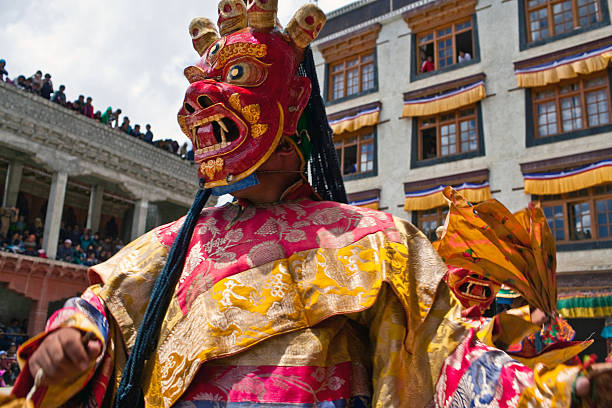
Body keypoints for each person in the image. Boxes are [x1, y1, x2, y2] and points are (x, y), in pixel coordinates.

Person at [7, 3, 612, 408]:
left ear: (294, 105)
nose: (196, 105)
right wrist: (71, 337)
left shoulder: (381, 244)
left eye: (238, 78)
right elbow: (100, 311)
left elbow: (450, 364)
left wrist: (567, 390)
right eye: (196, 90)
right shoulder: (176, 247)